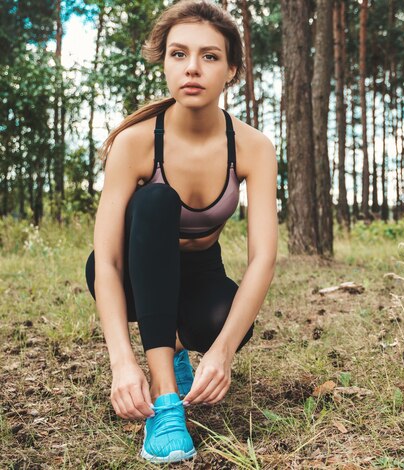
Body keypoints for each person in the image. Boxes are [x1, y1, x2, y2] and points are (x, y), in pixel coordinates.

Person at [84, 0, 277, 463]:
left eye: (209, 56)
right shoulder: (134, 143)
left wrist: (224, 352)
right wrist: (121, 362)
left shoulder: (253, 147)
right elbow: (107, 262)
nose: (192, 68)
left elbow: (262, 259)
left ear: (231, 69)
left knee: (224, 321)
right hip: (133, 273)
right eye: (178, 54)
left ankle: (175, 347)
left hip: (198, 275)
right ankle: (165, 401)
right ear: (164, 61)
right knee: (155, 199)